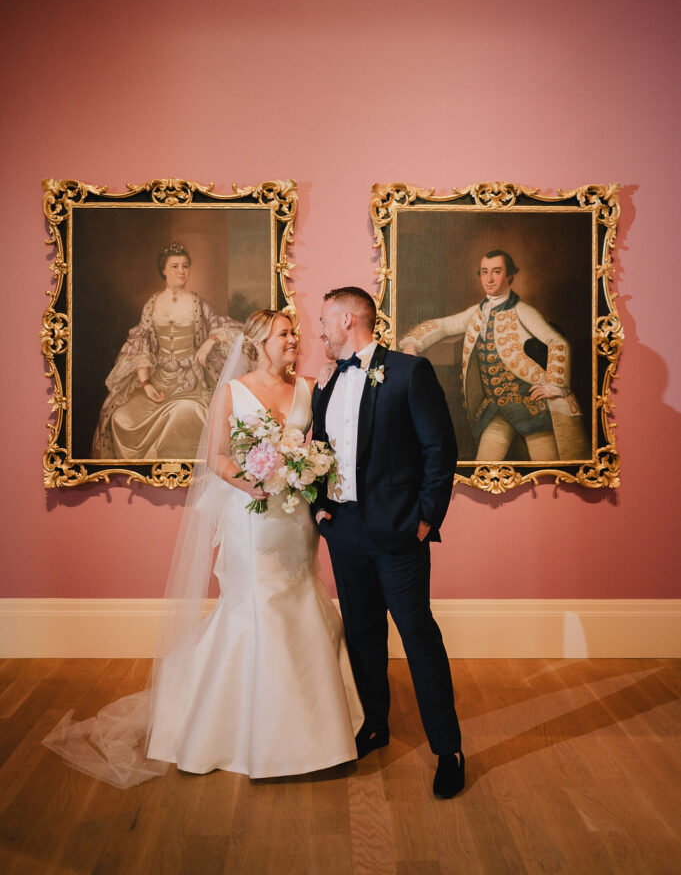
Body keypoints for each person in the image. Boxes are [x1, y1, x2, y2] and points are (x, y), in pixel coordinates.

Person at [44, 310, 363, 786]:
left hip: (294, 520)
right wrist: (250, 482)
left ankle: (314, 724)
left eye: (295, 333)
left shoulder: (309, 388)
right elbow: (215, 456)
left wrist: (305, 470)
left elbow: (322, 447)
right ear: (257, 344)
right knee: (258, 605)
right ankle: (255, 731)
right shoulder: (232, 393)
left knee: (299, 596)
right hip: (249, 516)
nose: (294, 340)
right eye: (284, 334)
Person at [312, 286, 465, 800]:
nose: (319, 332)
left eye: (324, 321)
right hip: (346, 533)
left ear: (350, 318)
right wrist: (320, 506)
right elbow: (319, 451)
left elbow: (440, 450)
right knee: (361, 634)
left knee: (418, 635)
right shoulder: (327, 382)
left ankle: (448, 748)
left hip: (400, 533)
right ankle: (376, 724)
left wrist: (425, 520)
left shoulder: (408, 372)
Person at [400, 250, 590, 461]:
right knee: (484, 464)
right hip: (497, 407)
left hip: (531, 404)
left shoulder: (523, 310)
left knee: (546, 468)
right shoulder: (477, 312)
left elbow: (558, 342)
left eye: (496, 272)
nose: (489, 279)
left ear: (509, 276)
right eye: (484, 272)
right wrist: (412, 342)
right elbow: (443, 326)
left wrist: (553, 384)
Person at [92, 241, 242, 459]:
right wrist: (146, 384)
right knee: (120, 417)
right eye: (175, 266)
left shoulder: (197, 303)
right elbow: (141, 344)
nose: (181, 271)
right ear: (163, 270)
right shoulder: (152, 304)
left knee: (187, 411)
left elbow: (225, 327)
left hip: (190, 381)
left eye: (185, 266)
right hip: (158, 379)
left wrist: (210, 342)